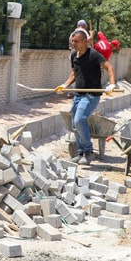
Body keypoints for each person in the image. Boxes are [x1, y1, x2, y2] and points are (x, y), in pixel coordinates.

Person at [56, 29, 116, 165]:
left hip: (91, 95)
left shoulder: (93, 55)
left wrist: (112, 84)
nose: (73, 43)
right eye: (72, 41)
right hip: (79, 94)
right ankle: (81, 152)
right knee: (74, 124)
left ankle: (89, 152)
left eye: (76, 41)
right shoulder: (73, 55)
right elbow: (74, 73)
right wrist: (64, 85)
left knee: (79, 120)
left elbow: (109, 68)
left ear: (84, 41)